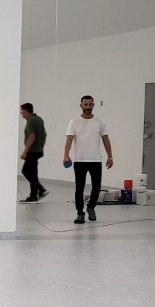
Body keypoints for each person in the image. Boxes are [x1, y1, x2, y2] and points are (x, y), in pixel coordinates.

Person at [63, 95, 113, 223]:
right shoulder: (74, 122)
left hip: (95, 160)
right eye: (85, 105)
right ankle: (80, 213)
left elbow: (106, 140)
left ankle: (91, 207)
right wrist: (66, 155)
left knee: (97, 186)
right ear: (81, 105)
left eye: (90, 104)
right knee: (79, 188)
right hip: (80, 160)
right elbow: (69, 140)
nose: (88, 107)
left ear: (93, 105)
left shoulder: (99, 122)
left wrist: (110, 156)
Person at [19, 103, 48, 202]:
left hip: (32, 151)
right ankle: (34, 195)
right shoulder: (38, 119)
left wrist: (25, 152)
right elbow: (44, 135)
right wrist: (41, 147)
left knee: (26, 171)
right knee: (33, 173)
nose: (20, 112)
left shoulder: (31, 120)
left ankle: (40, 190)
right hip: (37, 150)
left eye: (21, 110)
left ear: (26, 110)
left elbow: (32, 136)